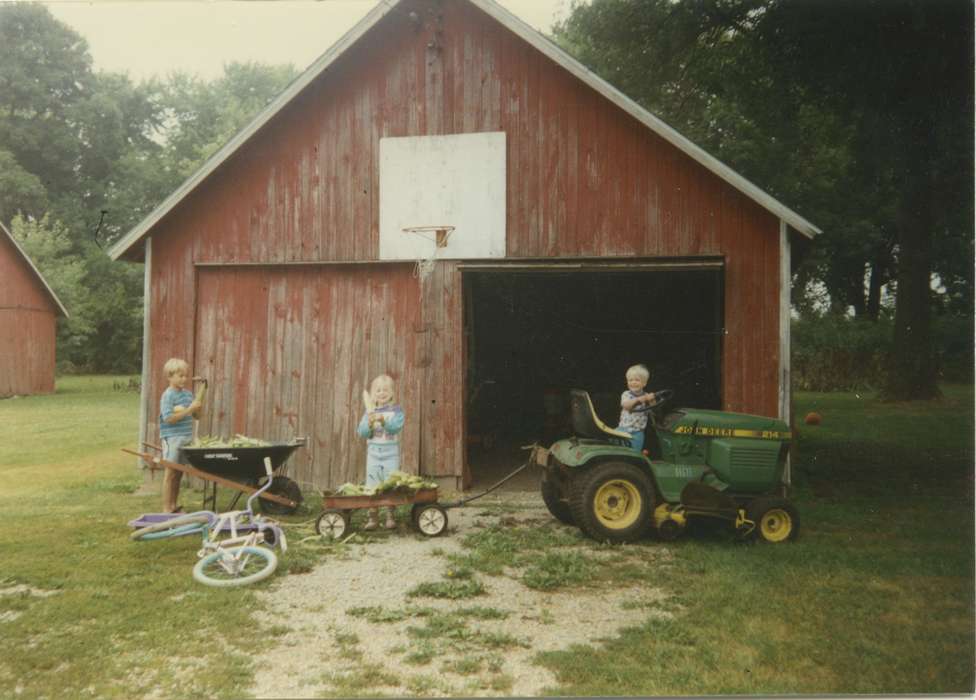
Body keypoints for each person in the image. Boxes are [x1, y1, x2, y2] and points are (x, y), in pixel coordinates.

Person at [356, 374, 405, 530]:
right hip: (374, 454)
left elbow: (395, 427)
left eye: (385, 390)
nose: (382, 393)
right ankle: (373, 517)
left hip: (390, 453)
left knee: (390, 484)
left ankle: (390, 515)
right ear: (372, 394)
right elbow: (362, 432)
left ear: (392, 393)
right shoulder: (369, 413)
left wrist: (383, 420)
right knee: (372, 484)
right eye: (378, 390)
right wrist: (369, 424)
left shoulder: (396, 411)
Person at [159, 358, 203, 513]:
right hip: (172, 438)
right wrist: (190, 409)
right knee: (170, 473)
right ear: (170, 377)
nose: (184, 379)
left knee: (179, 474)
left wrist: (198, 407)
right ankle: (166, 509)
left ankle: (173, 506)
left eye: (185, 375)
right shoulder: (168, 396)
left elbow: (197, 416)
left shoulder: (188, 394)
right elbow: (168, 418)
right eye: (180, 376)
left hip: (185, 437)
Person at [616, 364, 656, 453]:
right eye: (630, 380)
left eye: (637, 380)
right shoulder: (626, 394)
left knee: (634, 453)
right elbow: (626, 405)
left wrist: (652, 400)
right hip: (623, 430)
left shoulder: (646, 396)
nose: (633, 382)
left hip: (638, 432)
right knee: (618, 451)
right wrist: (640, 399)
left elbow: (653, 410)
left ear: (644, 383)